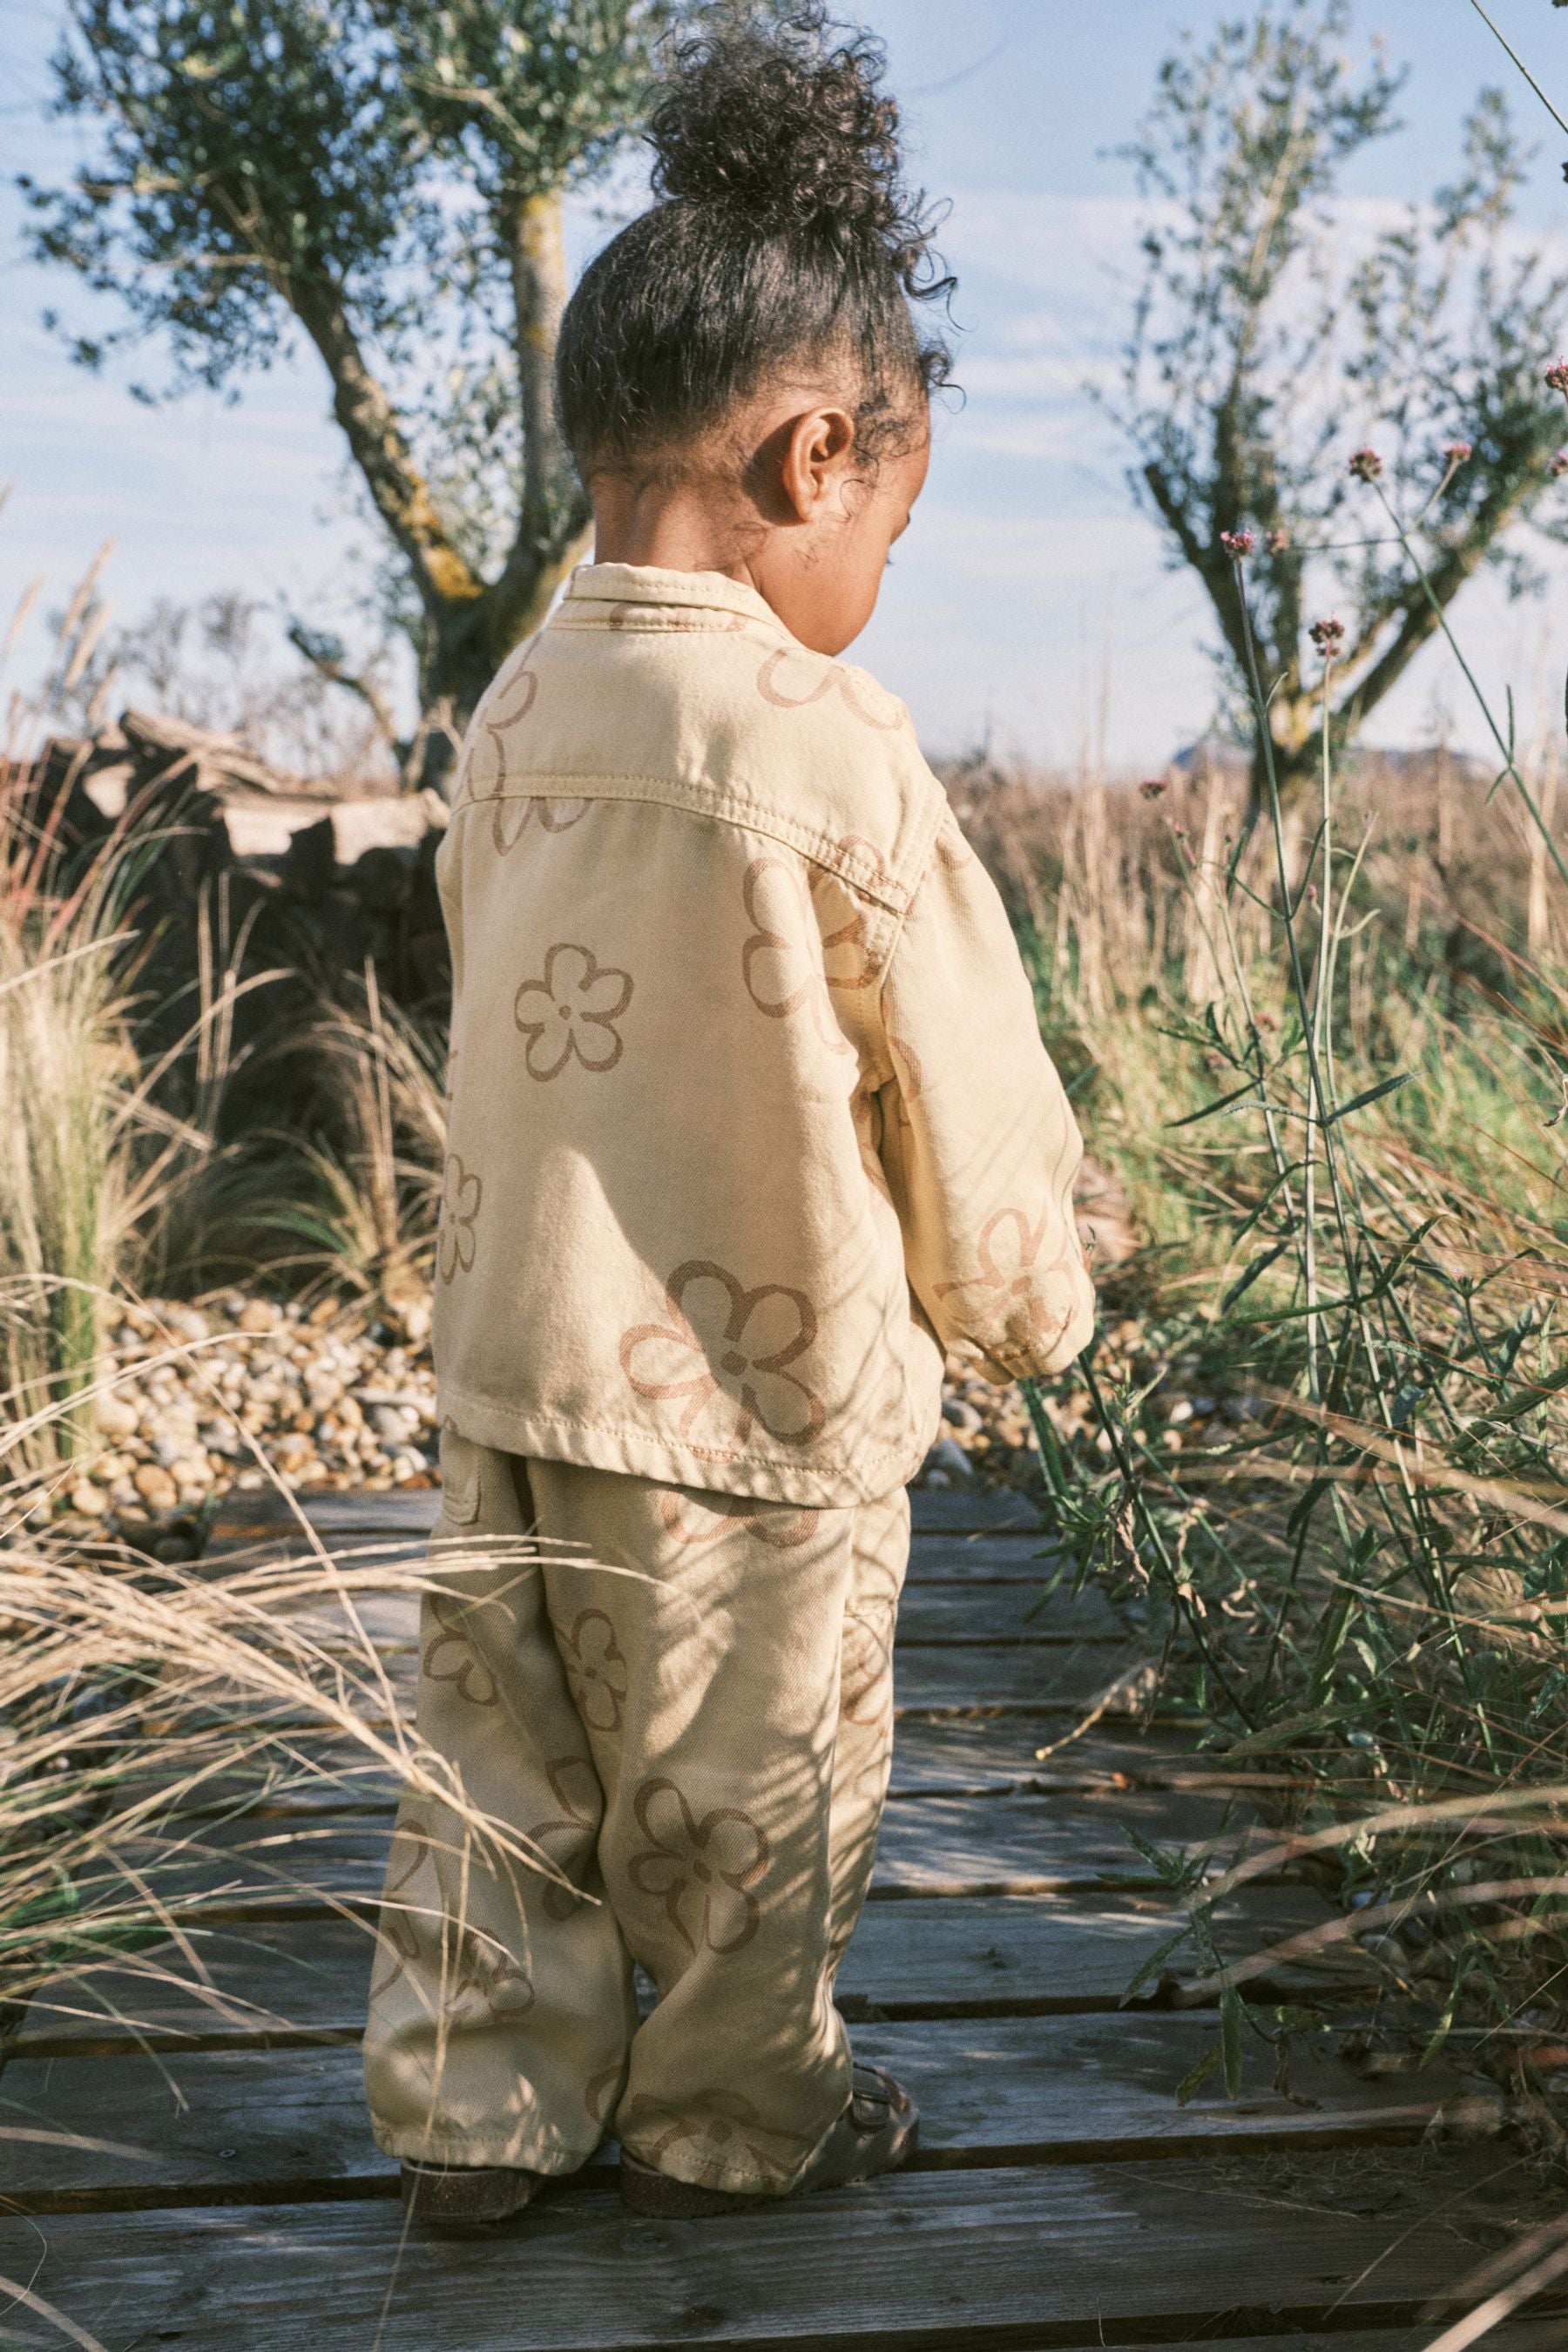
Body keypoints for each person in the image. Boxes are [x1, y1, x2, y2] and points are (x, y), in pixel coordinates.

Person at [362, 2, 1094, 2229]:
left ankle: (477, 2119)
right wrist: (1034, 1300)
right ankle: (726, 2118)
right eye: (897, 510)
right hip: (763, 1398)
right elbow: (964, 1083)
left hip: (514, 1362)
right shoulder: (828, 737)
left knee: (498, 1773)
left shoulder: (511, 714)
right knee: (751, 1794)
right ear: (811, 464)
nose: (884, 570)